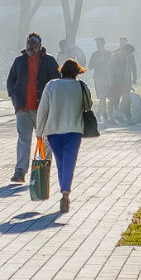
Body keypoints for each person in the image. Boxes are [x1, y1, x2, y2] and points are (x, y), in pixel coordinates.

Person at [36, 59, 91, 213]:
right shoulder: (81, 86)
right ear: (77, 72)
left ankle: (64, 190)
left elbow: (42, 110)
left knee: (60, 162)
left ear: (62, 71)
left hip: (53, 131)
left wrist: (39, 132)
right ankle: (65, 193)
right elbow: (88, 105)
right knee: (69, 162)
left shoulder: (51, 85)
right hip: (74, 130)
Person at [5, 31, 60, 184]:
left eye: (34, 44)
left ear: (40, 46)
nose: (31, 47)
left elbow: (57, 82)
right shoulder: (19, 61)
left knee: (43, 140)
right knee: (24, 139)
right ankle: (20, 171)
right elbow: (10, 82)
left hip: (42, 109)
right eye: (29, 44)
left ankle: (42, 170)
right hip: (23, 109)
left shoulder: (49, 61)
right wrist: (15, 101)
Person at [106, 42, 136, 124]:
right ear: (124, 50)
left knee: (126, 96)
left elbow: (126, 71)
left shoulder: (126, 58)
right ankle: (111, 118)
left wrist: (129, 84)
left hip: (122, 80)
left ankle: (118, 113)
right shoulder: (114, 56)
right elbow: (109, 69)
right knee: (112, 99)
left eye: (130, 53)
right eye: (128, 52)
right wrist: (110, 81)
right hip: (113, 80)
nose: (129, 54)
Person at [87, 37, 113, 121]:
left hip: (107, 77)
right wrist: (96, 62)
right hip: (98, 77)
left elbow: (112, 65)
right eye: (97, 44)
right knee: (102, 96)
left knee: (107, 96)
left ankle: (98, 113)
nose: (98, 46)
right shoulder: (95, 54)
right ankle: (104, 115)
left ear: (103, 44)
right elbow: (90, 66)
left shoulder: (109, 54)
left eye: (99, 44)